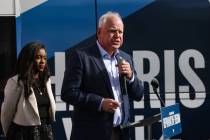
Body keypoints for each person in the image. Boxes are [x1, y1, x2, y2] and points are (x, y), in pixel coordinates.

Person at [61, 11, 144, 140]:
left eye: (120, 32)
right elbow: (68, 93)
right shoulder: (81, 57)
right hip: (91, 134)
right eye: (112, 31)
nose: (117, 35)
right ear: (99, 32)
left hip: (121, 133)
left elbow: (139, 95)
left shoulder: (126, 58)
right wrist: (100, 103)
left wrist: (131, 76)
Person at [1, 41, 56, 140]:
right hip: (24, 133)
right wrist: (10, 134)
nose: (43, 61)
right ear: (28, 59)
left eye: (45, 58)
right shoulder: (16, 82)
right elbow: (6, 113)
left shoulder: (46, 80)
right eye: (38, 57)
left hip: (46, 131)